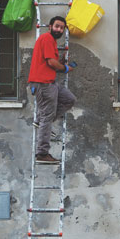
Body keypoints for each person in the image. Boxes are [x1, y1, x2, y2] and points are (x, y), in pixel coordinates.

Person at [28, 16, 77, 164]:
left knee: (69, 99)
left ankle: (40, 120)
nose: (59, 29)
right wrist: (66, 68)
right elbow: (51, 63)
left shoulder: (50, 42)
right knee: (47, 118)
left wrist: (60, 63)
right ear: (50, 26)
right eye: (57, 26)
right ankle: (42, 153)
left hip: (49, 82)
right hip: (43, 84)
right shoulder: (47, 38)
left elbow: (49, 63)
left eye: (62, 28)